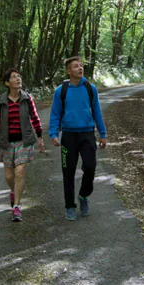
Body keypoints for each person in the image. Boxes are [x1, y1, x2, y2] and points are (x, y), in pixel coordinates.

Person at [48, 56, 107, 221]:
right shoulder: (61, 90)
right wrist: (53, 134)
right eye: (76, 66)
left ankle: (83, 195)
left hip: (87, 134)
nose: (80, 68)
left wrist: (103, 134)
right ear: (68, 71)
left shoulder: (90, 88)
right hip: (68, 136)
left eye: (81, 66)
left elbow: (97, 111)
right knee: (68, 172)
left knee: (91, 167)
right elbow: (55, 114)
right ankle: (69, 206)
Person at [0, 68, 45, 222]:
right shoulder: (2, 100)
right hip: (6, 142)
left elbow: (35, 118)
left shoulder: (27, 98)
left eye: (19, 76)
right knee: (9, 176)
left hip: (24, 142)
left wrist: (40, 136)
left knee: (20, 172)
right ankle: (14, 192)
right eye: (14, 77)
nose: (18, 79)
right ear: (7, 83)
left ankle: (16, 207)